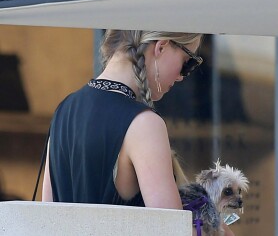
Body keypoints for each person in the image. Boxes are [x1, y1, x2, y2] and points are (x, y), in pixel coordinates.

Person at [42, 30, 234, 235]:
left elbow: (47, 214)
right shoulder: (144, 124)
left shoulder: (64, 110)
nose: (181, 77)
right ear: (161, 47)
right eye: (188, 62)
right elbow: (170, 230)